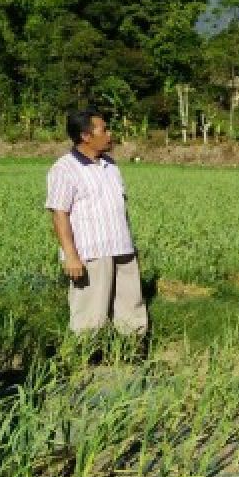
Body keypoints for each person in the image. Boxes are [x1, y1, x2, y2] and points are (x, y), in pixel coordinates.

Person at [45, 109, 148, 338]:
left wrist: (130, 244)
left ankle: (132, 354)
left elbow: (121, 207)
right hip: (91, 252)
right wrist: (70, 256)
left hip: (122, 248)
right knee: (90, 315)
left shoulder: (110, 165)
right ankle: (85, 360)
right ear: (86, 136)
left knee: (131, 309)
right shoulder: (64, 169)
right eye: (104, 129)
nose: (110, 134)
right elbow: (59, 214)